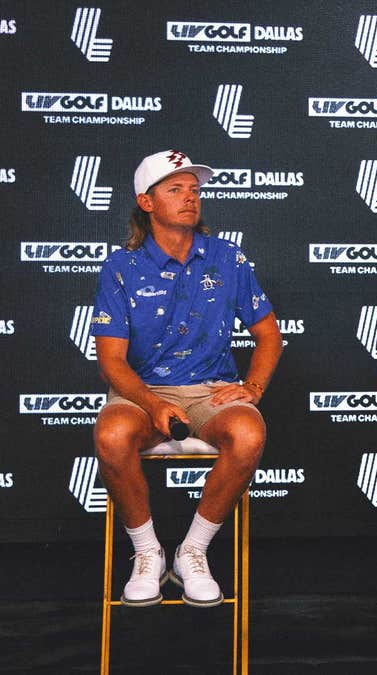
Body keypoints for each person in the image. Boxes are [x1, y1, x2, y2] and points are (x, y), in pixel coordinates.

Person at [90, 150, 282, 607]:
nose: (190, 197)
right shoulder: (121, 266)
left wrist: (252, 388)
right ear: (147, 201)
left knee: (248, 431)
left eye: (195, 189)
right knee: (112, 435)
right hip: (142, 391)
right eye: (175, 189)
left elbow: (269, 335)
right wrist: (154, 405)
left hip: (209, 389)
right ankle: (147, 554)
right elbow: (112, 362)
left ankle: (192, 552)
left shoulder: (226, 257)